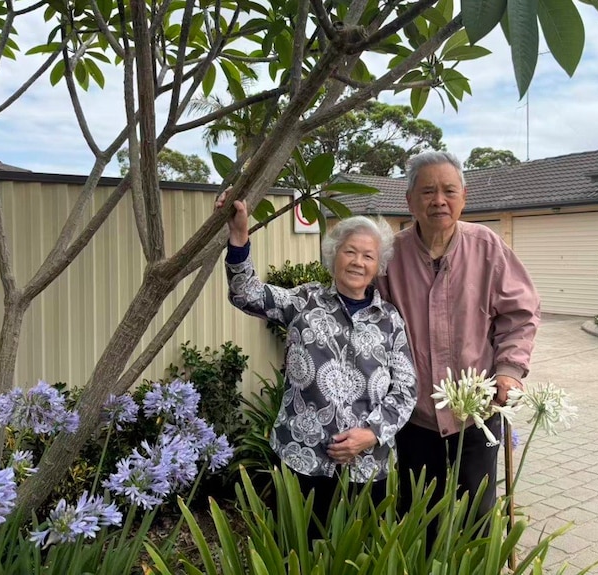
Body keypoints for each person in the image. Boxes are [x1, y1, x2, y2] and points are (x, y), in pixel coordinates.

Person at [218, 194, 417, 538]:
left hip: (367, 465)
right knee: (297, 548)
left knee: (358, 555)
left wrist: (371, 433)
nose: (357, 261)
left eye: (368, 255)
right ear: (333, 256)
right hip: (302, 457)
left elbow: (406, 388)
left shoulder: (390, 320)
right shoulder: (303, 302)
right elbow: (245, 293)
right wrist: (239, 237)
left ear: (378, 266)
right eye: (349, 251)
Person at [376, 151, 541, 542]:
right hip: (414, 416)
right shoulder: (390, 256)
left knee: (478, 520)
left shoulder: (486, 246)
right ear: (409, 200)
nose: (439, 200)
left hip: (477, 414)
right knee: (419, 518)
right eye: (428, 191)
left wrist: (509, 370)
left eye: (449, 191)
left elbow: (520, 313)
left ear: (463, 197)